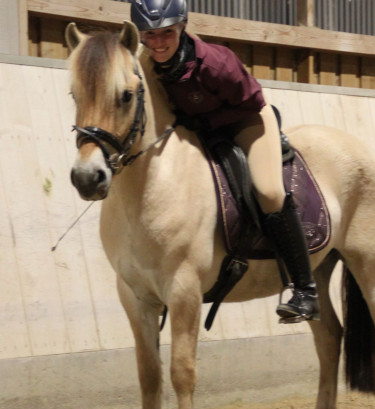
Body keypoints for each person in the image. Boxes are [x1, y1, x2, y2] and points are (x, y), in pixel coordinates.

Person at [130, 0, 319, 323]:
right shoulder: (142, 63)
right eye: (150, 35)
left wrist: (212, 122)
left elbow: (253, 101)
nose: (159, 43)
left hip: (246, 121)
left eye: (167, 33)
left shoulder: (216, 63)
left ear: (182, 28)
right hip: (196, 128)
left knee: (270, 191)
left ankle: (305, 290)